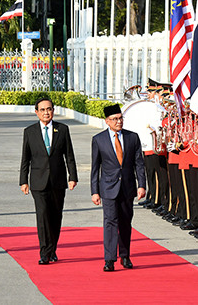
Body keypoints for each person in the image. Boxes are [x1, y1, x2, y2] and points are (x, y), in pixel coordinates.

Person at [19, 98, 78, 265]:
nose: (46, 112)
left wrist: (72, 176)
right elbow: (25, 159)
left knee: (55, 216)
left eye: (49, 109)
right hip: (38, 181)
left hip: (58, 181)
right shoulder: (29, 131)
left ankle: (52, 249)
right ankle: (44, 252)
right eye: (43, 109)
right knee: (43, 215)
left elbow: (69, 156)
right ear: (36, 112)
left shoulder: (63, 130)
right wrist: (23, 181)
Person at [91, 104, 146, 272]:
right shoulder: (99, 140)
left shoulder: (132, 138)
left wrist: (142, 185)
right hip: (108, 188)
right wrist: (94, 191)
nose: (119, 122)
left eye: (120, 118)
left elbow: (139, 164)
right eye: (115, 119)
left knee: (125, 223)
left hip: (127, 187)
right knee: (110, 222)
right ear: (107, 121)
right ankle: (109, 259)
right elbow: (95, 167)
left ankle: (125, 256)